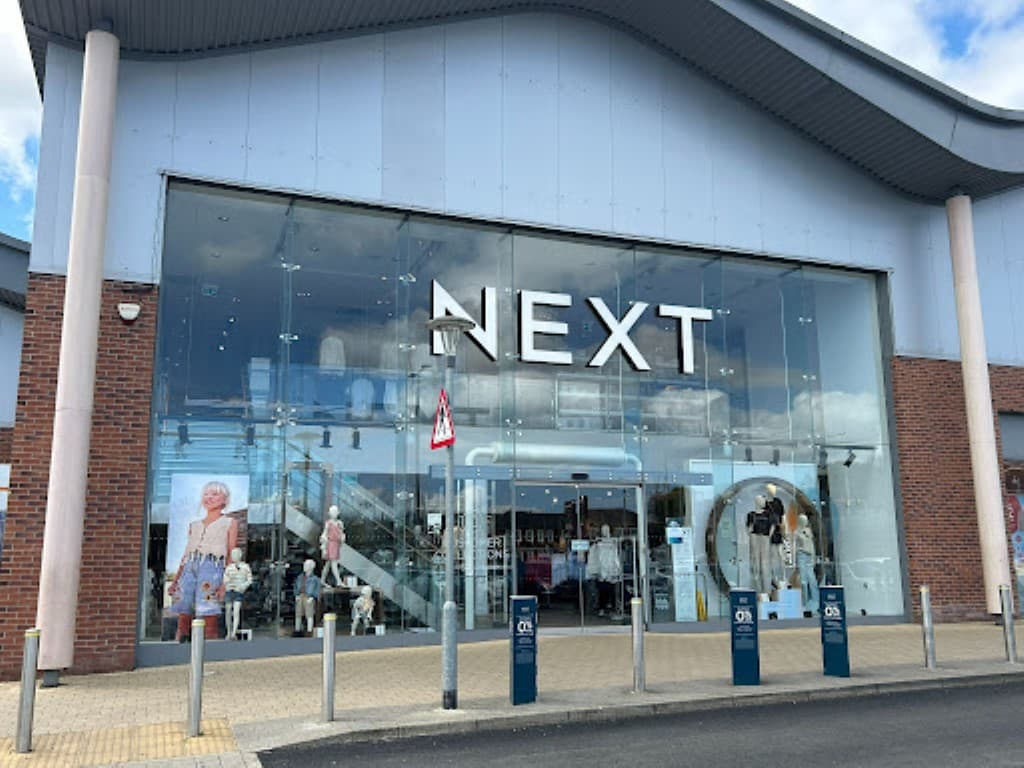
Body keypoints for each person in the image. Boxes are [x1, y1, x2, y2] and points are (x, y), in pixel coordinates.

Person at [170, 480, 239, 641]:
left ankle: (209, 645)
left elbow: (231, 552)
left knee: (209, 609)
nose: (209, 497)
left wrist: (225, 583)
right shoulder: (194, 525)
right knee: (183, 609)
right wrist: (176, 580)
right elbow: (186, 554)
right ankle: (181, 642)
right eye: (206, 494)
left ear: (225, 499)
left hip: (212, 566)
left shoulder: (229, 522)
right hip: (190, 566)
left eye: (214, 494)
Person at [223, 547, 253, 640]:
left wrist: (242, 587)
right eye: (232, 555)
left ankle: (234, 632)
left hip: (238, 591)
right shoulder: (229, 567)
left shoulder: (245, 567)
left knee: (236, 612)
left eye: (235, 554)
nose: (233, 556)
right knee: (228, 611)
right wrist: (228, 584)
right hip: (229, 591)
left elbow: (249, 580)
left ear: (240, 555)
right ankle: (229, 632)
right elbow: (225, 579)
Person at [320, 504, 346, 587]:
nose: (334, 513)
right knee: (333, 563)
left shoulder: (339, 523)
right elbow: (324, 534)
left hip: (336, 544)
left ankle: (322, 580)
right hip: (330, 544)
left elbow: (342, 533)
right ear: (329, 513)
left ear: (338, 513)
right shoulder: (328, 523)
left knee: (328, 564)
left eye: (335, 512)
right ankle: (339, 581)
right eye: (332, 512)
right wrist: (324, 547)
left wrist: (342, 538)